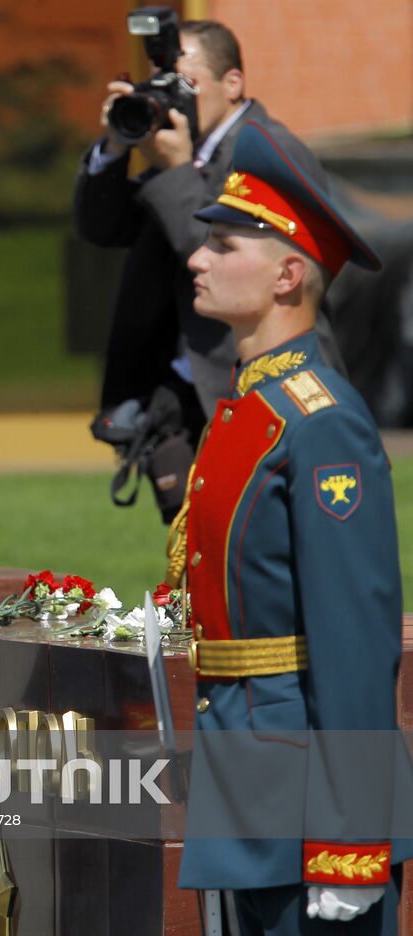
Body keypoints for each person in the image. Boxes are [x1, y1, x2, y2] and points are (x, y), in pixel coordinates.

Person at [176, 121, 405, 933]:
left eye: (225, 245)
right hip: (248, 756)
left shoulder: (320, 423)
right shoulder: (253, 409)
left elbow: (354, 640)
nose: (197, 259)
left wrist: (351, 841)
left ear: (288, 275)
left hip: (305, 778)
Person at [75, 19, 344, 522]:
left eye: (185, 85)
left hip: (261, 388)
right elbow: (103, 226)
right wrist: (115, 146)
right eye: (161, 84)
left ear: (233, 84)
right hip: (187, 394)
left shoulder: (269, 151)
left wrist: (178, 173)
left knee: (257, 544)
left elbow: (239, 266)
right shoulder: (178, 149)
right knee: (196, 554)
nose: (171, 100)